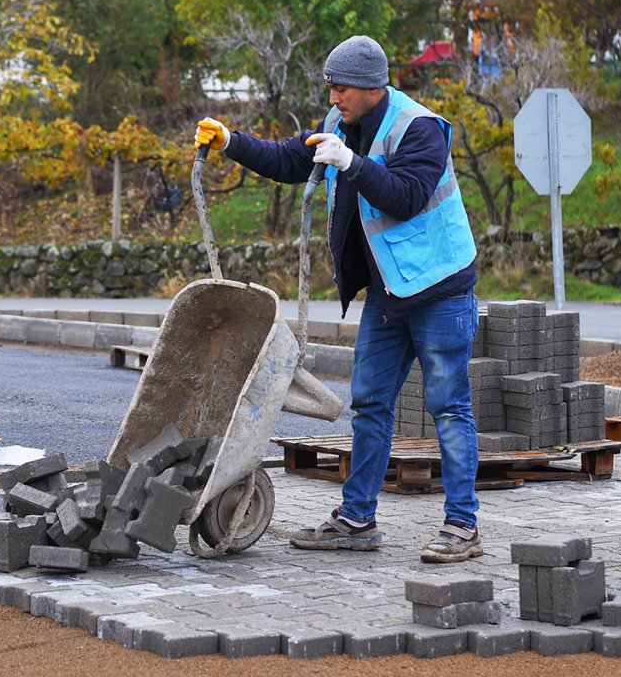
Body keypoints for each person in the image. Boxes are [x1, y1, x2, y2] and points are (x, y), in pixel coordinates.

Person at [193, 35, 483, 563]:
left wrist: (351, 163)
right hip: (390, 294)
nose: (333, 98)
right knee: (370, 402)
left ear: (373, 87)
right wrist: (230, 142)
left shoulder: (419, 128)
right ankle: (356, 519)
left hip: (441, 290)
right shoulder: (337, 126)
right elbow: (288, 159)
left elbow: (407, 196)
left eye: (341, 87)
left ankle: (463, 526)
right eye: (329, 86)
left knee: (448, 407)